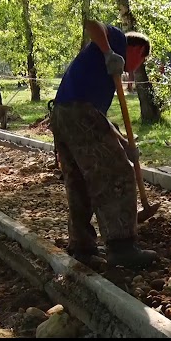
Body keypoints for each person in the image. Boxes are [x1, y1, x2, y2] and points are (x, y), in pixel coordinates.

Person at [50, 19, 157, 268]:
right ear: (139, 51)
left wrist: (123, 143)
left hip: (63, 115)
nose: (135, 69)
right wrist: (110, 51)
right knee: (117, 174)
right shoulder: (116, 41)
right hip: (79, 113)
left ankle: (82, 246)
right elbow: (91, 24)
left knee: (79, 181)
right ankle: (122, 246)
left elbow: (98, 118)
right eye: (141, 62)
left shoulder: (107, 75)